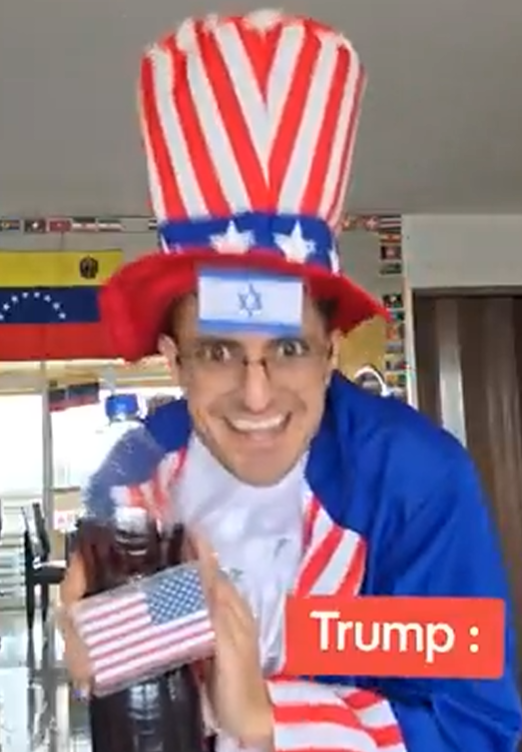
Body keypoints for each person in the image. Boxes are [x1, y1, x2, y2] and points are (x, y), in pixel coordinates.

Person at [60, 9, 522, 752]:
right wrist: (106, 649)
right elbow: (168, 653)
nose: (256, 394)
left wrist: (268, 718)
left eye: (288, 349)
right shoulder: (142, 471)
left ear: (330, 352)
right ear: (174, 362)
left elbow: (479, 730)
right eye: (218, 352)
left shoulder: (418, 481)